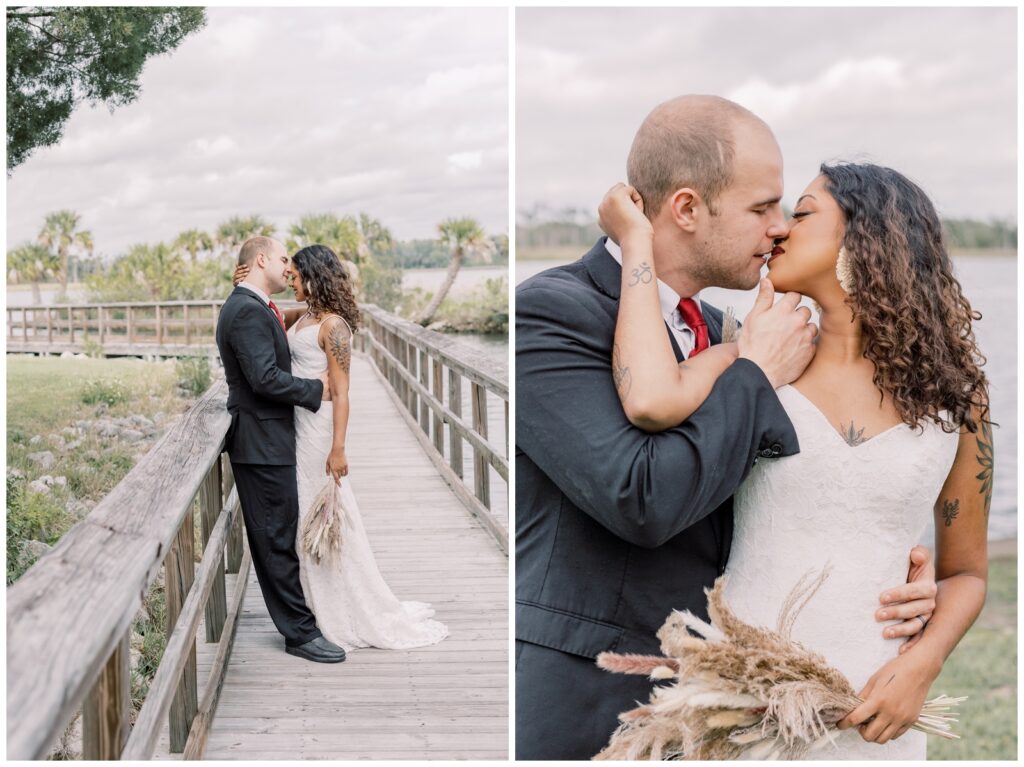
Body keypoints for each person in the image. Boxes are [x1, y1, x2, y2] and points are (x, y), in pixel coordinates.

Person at [514, 95, 939, 760]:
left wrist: (891, 563)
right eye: (763, 207)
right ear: (686, 208)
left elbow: (780, 495)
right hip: (588, 696)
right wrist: (756, 371)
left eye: (787, 210)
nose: (777, 228)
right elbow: (642, 499)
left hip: (726, 703)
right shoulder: (548, 313)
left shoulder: (722, 331)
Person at [601, 159, 990, 758]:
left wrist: (924, 665)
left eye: (802, 214)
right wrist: (636, 242)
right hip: (741, 700)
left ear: (868, 241)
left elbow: (965, 572)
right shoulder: (749, 366)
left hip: (876, 706)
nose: (778, 229)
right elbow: (651, 399)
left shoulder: (957, 396)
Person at [234, 244, 448, 650]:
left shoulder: (334, 327)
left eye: (295, 275)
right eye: (288, 273)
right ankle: (315, 603)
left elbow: (344, 394)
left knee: (326, 513)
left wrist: (338, 448)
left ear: (313, 276)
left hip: (316, 431)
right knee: (301, 518)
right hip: (292, 424)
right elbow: (269, 318)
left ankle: (345, 608)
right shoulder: (303, 315)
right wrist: (244, 283)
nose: (291, 280)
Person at [215, 235, 346, 664]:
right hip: (260, 441)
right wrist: (316, 388)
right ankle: (299, 633)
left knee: (279, 530)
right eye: (282, 258)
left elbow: (284, 323)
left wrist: (315, 313)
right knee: (274, 537)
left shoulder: (255, 306)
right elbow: (264, 378)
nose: (288, 266)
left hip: (268, 438)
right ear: (260, 260)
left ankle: (303, 620)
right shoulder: (246, 311)